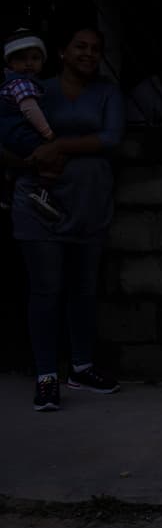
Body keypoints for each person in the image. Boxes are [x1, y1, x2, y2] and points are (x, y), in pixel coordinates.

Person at [10, 27, 125, 412]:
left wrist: (58, 146)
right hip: (39, 204)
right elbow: (7, 135)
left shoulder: (108, 93)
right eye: (80, 46)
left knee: (83, 290)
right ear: (62, 51)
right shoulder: (33, 90)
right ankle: (46, 377)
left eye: (96, 48)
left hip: (89, 205)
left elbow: (111, 138)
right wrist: (30, 160)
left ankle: (81, 367)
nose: (88, 54)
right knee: (45, 291)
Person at [1, 29, 63, 222]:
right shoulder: (21, 83)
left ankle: (6, 194)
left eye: (35, 58)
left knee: (17, 167)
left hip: (8, 135)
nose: (29, 63)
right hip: (19, 134)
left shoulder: (9, 82)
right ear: (10, 63)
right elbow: (30, 110)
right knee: (55, 154)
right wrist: (48, 134)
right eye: (22, 59)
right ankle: (43, 191)